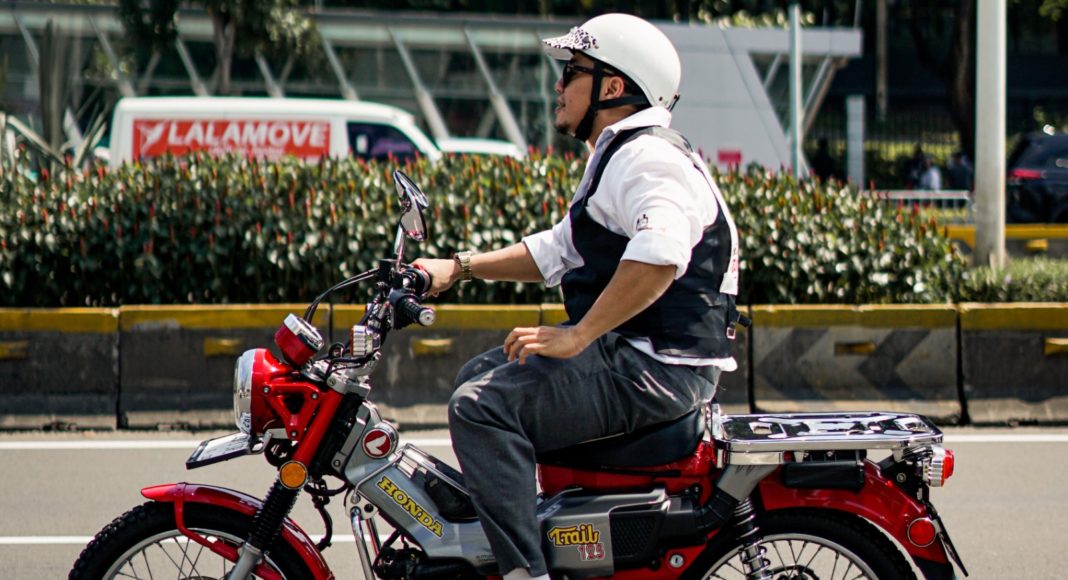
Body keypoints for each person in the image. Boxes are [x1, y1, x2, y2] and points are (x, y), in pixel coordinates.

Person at [415, 13, 742, 580]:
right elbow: (560, 248)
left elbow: (661, 252)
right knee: (480, 375)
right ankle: (529, 532)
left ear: (612, 87)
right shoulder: (621, 153)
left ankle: (524, 572)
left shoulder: (647, 159)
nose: (559, 84)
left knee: (481, 407)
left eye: (572, 71)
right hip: (641, 357)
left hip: (654, 370)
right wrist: (459, 267)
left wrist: (578, 336)